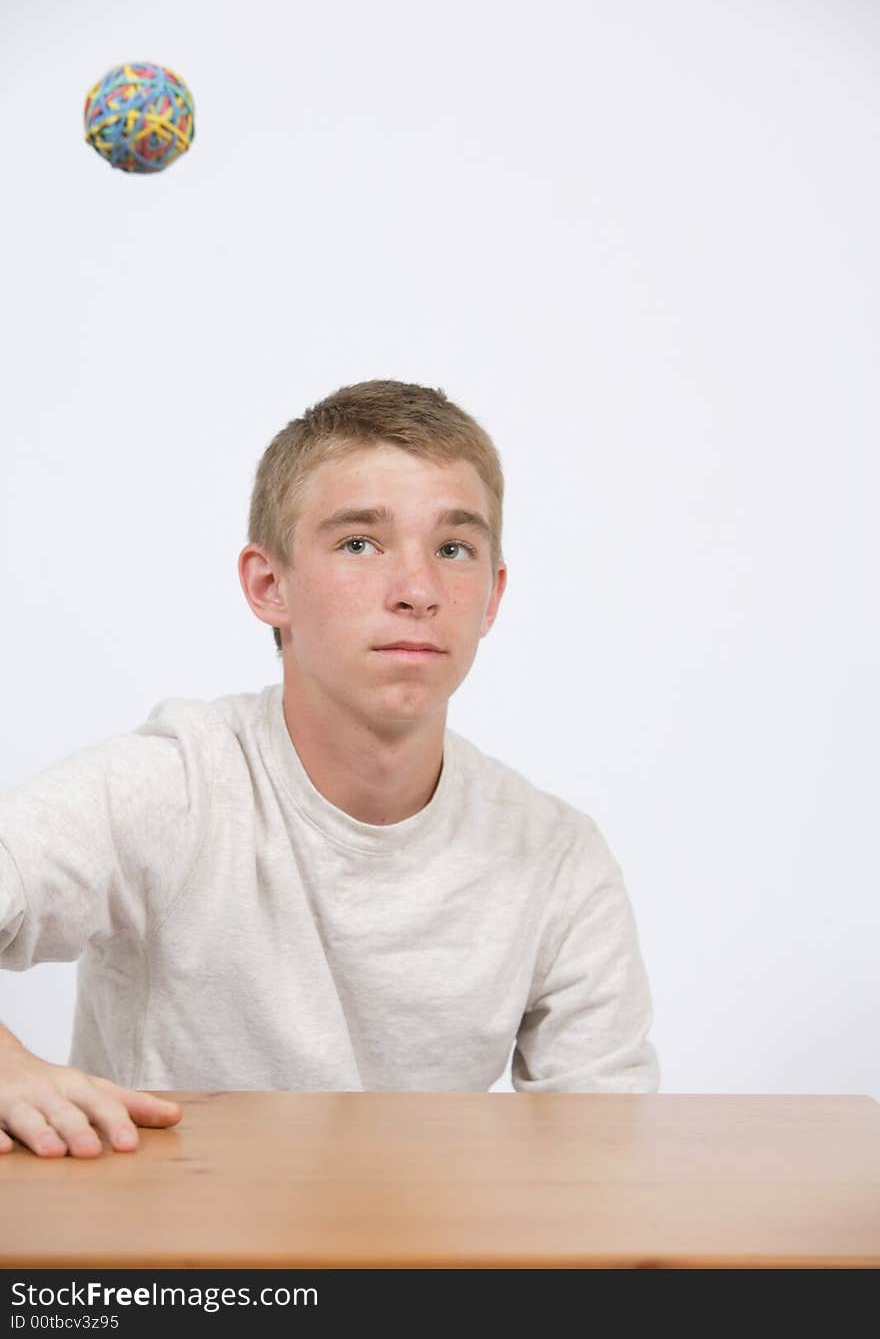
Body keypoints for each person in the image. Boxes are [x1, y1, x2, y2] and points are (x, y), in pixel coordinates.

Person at [0, 379, 660, 1161]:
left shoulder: (557, 860)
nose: (418, 592)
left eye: (454, 549)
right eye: (359, 543)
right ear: (268, 585)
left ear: (491, 596)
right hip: (175, 1268)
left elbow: (608, 1162)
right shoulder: (174, 787)